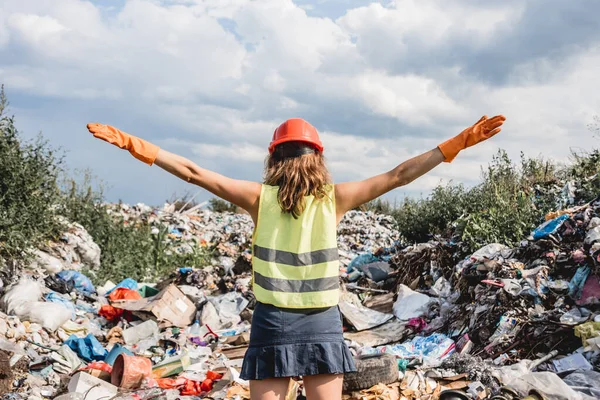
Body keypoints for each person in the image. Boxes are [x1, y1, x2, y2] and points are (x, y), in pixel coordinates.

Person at [86, 114, 505, 399]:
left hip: (272, 320)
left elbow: (194, 173)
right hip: (322, 320)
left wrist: (134, 144)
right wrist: (457, 143)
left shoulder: (258, 198)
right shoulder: (335, 198)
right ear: (318, 158)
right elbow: (399, 175)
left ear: (273, 157)